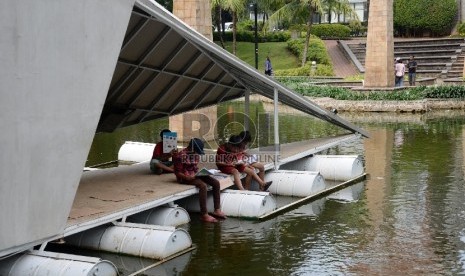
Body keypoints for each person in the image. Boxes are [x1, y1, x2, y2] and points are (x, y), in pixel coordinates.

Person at [173, 138, 226, 223]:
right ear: (192, 148)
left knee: (215, 183)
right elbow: (177, 172)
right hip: (184, 178)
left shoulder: (195, 155)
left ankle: (217, 209)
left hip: (194, 175)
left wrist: (202, 173)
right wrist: (187, 177)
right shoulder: (180, 156)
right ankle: (204, 214)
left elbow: (194, 168)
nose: (197, 153)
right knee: (203, 186)